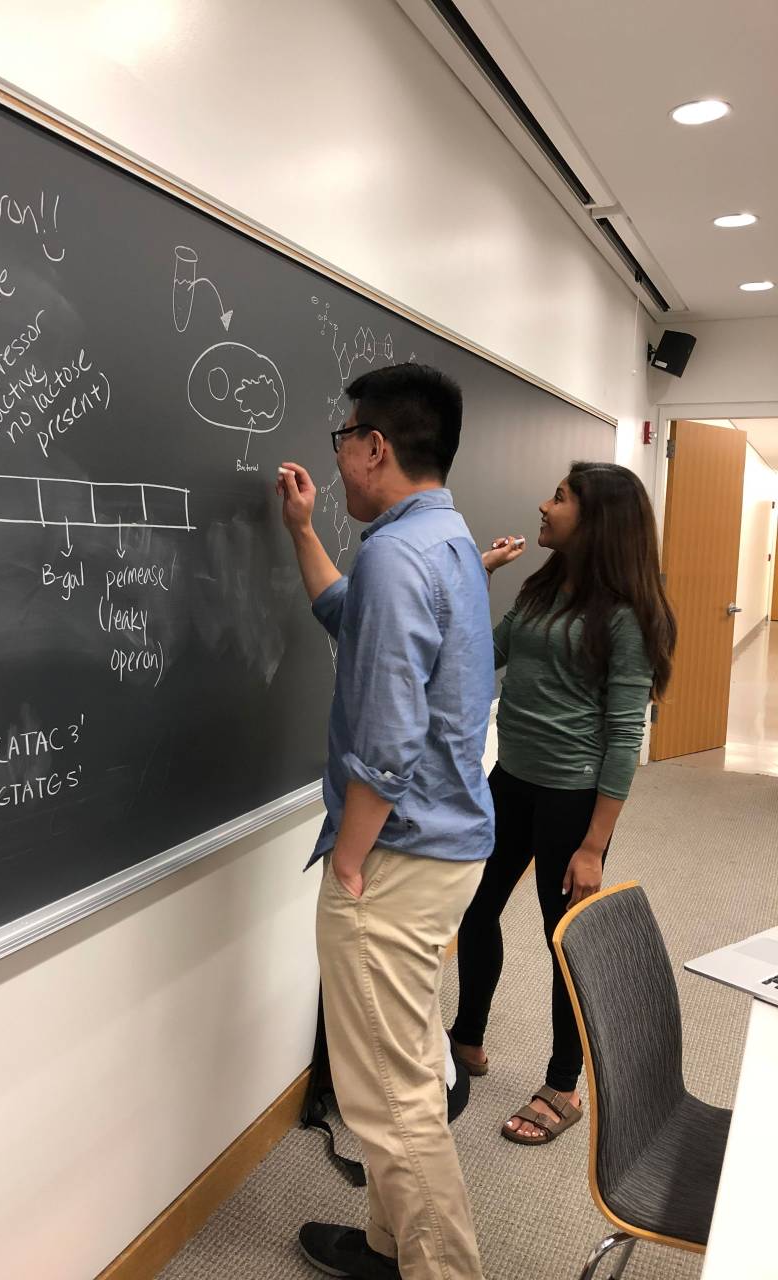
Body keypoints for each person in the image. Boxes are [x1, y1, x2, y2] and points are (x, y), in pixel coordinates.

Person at [277, 363, 494, 1280]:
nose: (338, 466)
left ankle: (442, 1271)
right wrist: (300, 535)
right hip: (445, 845)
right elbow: (350, 616)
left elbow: (388, 743)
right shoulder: (441, 537)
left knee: (396, 1096)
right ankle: (387, 1245)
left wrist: (351, 866)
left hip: (396, 856)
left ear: (375, 445)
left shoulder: (399, 555)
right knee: (394, 1061)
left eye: (343, 442)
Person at [449, 462, 676, 1145]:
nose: (543, 506)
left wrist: (593, 845)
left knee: (564, 940)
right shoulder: (544, 586)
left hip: (573, 797)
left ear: (598, 518)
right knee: (477, 907)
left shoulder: (629, 616)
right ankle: (467, 1040)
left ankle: (563, 1083)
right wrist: (476, 575)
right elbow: (483, 653)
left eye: (560, 498)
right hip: (512, 779)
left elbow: (623, 733)